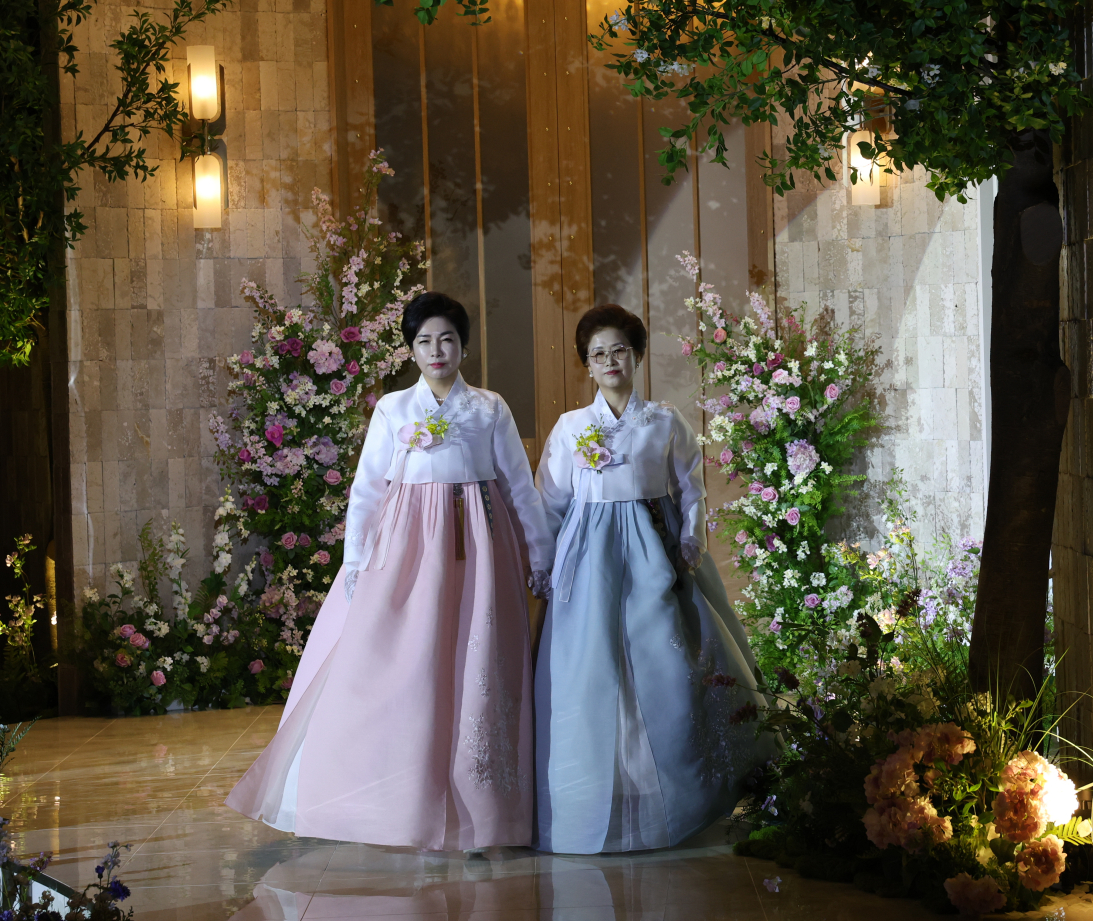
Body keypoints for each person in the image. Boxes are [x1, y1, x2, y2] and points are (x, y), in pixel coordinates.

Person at [226, 292, 551, 852]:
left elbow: (519, 486)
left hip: (480, 542)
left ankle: (483, 814)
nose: (437, 351)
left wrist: (540, 554)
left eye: (447, 339)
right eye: (424, 341)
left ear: (464, 346)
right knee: (409, 661)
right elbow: (367, 488)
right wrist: (355, 560)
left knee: (477, 660)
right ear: (411, 350)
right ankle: (400, 801)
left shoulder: (489, 407)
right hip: (409, 548)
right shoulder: (394, 408)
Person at [532, 303, 769, 854]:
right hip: (589, 560)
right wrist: (543, 563)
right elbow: (550, 501)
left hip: (653, 551)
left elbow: (691, 486)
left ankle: (682, 795)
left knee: (667, 664)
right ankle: (598, 798)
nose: (610, 361)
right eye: (598, 354)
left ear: (637, 356)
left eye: (619, 350)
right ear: (586, 365)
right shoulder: (571, 428)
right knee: (590, 670)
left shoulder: (664, 420)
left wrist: (691, 537)